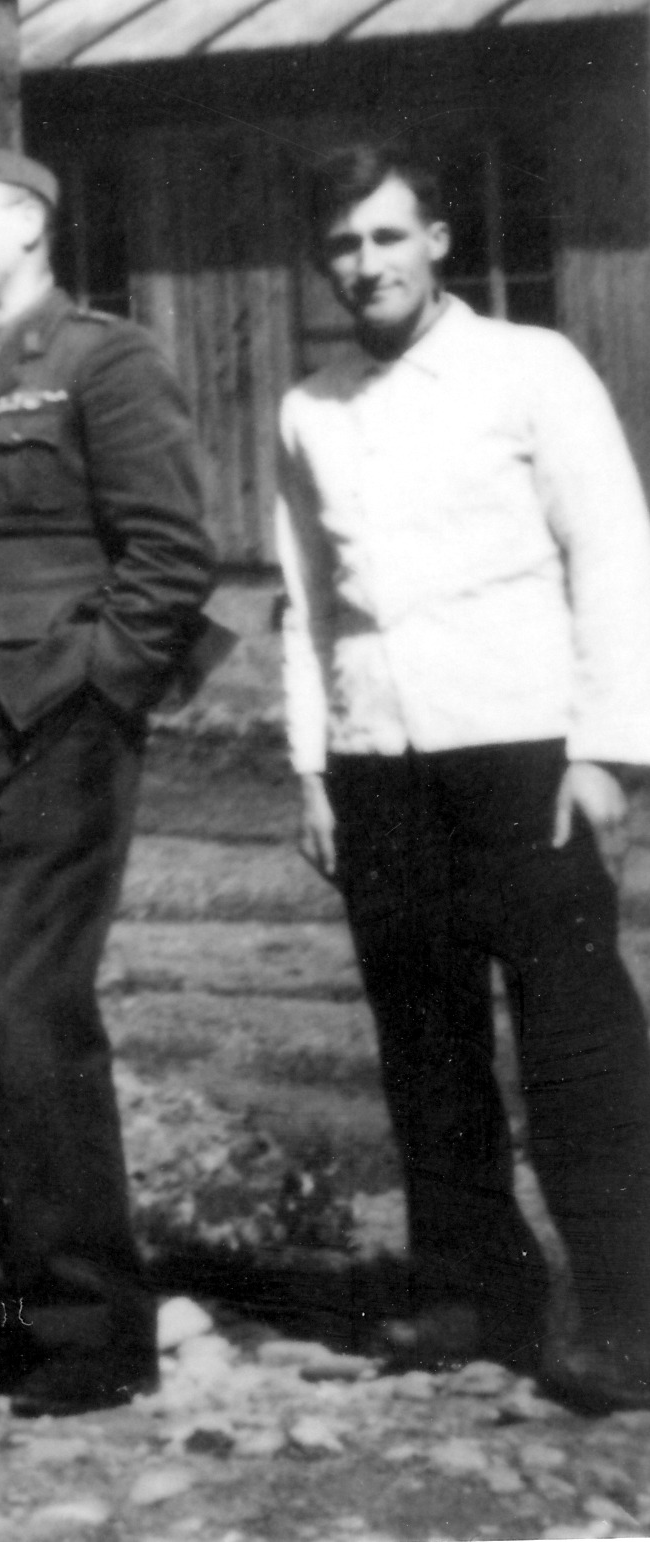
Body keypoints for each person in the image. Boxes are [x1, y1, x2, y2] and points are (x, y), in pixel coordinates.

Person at [277, 141, 650, 1415]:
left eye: (387, 236)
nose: (365, 263)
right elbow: (306, 603)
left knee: (576, 1040)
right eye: (342, 244)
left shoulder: (530, 368)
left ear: (436, 239)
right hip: (379, 763)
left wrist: (606, 751)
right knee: (422, 1036)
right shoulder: (310, 408)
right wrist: (311, 766)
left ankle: (629, 1314)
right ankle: (471, 1291)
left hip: (524, 753)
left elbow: (613, 553)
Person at [0, 147, 216, 1416]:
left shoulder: (103, 360)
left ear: (29, 226)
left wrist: (97, 692)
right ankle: (29, 1307)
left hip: (54, 731)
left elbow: (170, 554)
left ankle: (92, 1331)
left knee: (34, 1017)